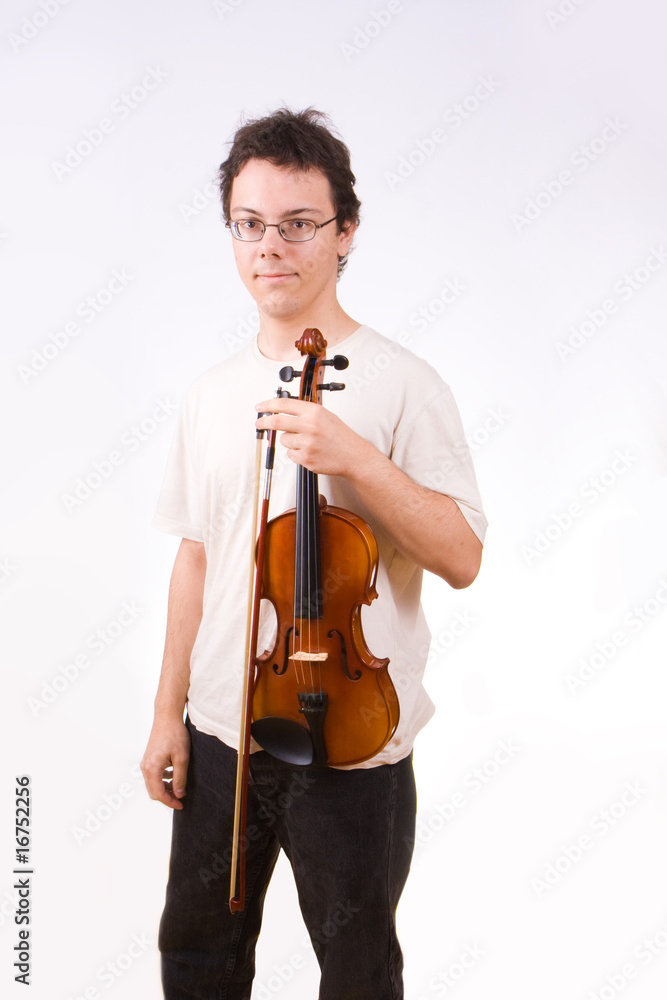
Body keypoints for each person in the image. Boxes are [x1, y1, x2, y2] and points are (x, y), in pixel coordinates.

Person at [140, 107, 487, 1000]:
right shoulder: (211, 393)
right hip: (224, 733)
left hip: (350, 735)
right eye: (249, 224)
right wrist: (167, 711)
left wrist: (354, 458)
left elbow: (461, 556)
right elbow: (195, 560)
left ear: (345, 232)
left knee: (357, 973)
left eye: (297, 224)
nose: (271, 246)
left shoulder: (404, 383)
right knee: (197, 958)